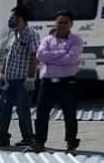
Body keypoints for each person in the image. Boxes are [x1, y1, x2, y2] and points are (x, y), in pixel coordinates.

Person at [33, 10, 84, 154]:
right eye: (59, 22)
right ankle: (39, 142)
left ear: (71, 24)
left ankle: (71, 143)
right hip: (47, 83)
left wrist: (51, 57)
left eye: (65, 22)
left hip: (67, 83)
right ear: (55, 23)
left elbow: (71, 59)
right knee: (41, 114)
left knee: (70, 114)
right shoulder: (47, 40)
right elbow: (40, 56)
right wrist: (62, 53)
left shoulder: (76, 40)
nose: (61, 25)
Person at [0, 5, 39, 148]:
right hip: (9, 80)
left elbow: (34, 56)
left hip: (22, 80)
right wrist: (1, 74)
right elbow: (8, 56)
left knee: (22, 110)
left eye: (12, 17)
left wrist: (31, 77)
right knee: (3, 110)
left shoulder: (32, 34)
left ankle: (28, 137)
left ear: (20, 18)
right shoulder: (12, 35)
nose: (10, 19)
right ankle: (2, 137)